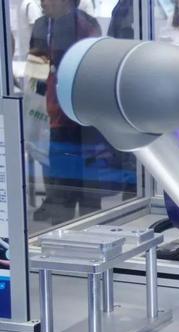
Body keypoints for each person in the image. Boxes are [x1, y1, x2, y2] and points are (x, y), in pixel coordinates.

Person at [29, 0, 102, 224]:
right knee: (60, 185)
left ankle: (91, 231)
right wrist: (36, 104)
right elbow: (36, 71)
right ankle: (60, 230)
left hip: (83, 117)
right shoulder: (41, 25)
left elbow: (93, 69)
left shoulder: (86, 25)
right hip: (53, 116)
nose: (42, 2)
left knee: (88, 187)